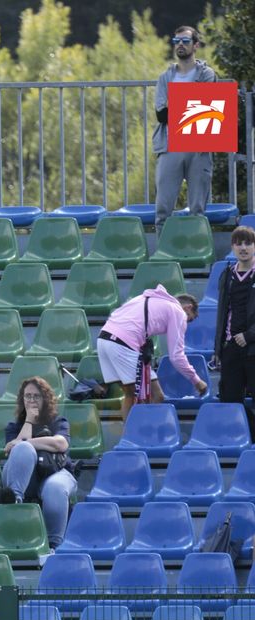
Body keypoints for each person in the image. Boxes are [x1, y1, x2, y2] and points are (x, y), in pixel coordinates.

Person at [97, 284, 206, 419]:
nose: (185, 322)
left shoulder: (144, 298)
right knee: (142, 396)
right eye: (189, 318)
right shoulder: (178, 311)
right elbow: (176, 356)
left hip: (103, 340)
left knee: (147, 395)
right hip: (122, 343)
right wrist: (197, 381)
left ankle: (139, 428)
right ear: (188, 307)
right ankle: (137, 431)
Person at [0, 377, 78, 550]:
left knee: (55, 488)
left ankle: (53, 546)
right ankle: (15, 501)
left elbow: (60, 444)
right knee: (23, 449)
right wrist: (28, 422)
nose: (32, 400)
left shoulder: (58, 422)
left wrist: (26, 442)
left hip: (56, 471)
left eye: (36, 396)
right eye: (28, 396)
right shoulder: (14, 427)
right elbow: (15, 455)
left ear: (45, 399)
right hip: (25, 480)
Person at [153, 25, 217, 233]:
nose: (180, 44)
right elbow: (161, 115)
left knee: (197, 209)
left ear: (195, 45)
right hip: (170, 146)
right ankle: (163, 250)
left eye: (185, 41)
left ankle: (196, 247)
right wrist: (192, 102)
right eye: (176, 41)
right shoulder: (165, 77)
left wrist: (177, 103)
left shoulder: (207, 74)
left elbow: (207, 109)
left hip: (199, 146)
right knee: (163, 209)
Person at [213, 226, 255, 439]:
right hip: (231, 348)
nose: (243, 248)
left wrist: (249, 335)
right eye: (239, 244)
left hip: (252, 347)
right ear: (232, 247)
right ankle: (245, 438)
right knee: (229, 400)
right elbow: (222, 312)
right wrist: (218, 348)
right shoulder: (227, 274)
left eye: (248, 243)